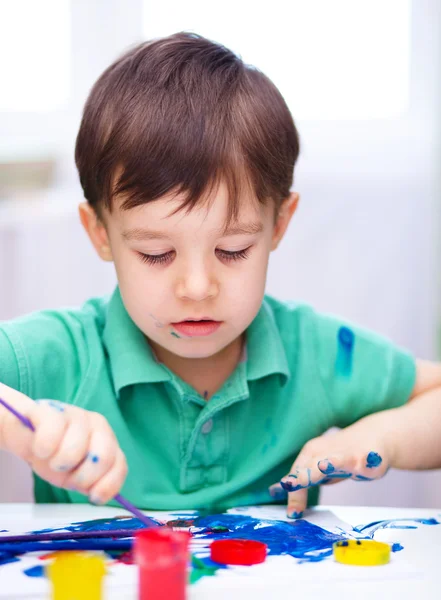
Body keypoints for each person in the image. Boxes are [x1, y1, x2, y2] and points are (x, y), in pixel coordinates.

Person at [1, 33, 440, 518]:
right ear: (100, 233)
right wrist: (22, 425)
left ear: (279, 224)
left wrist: (377, 437)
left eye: (232, 250)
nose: (196, 288)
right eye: (156, 253)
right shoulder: (63, 354)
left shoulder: (312, 353)